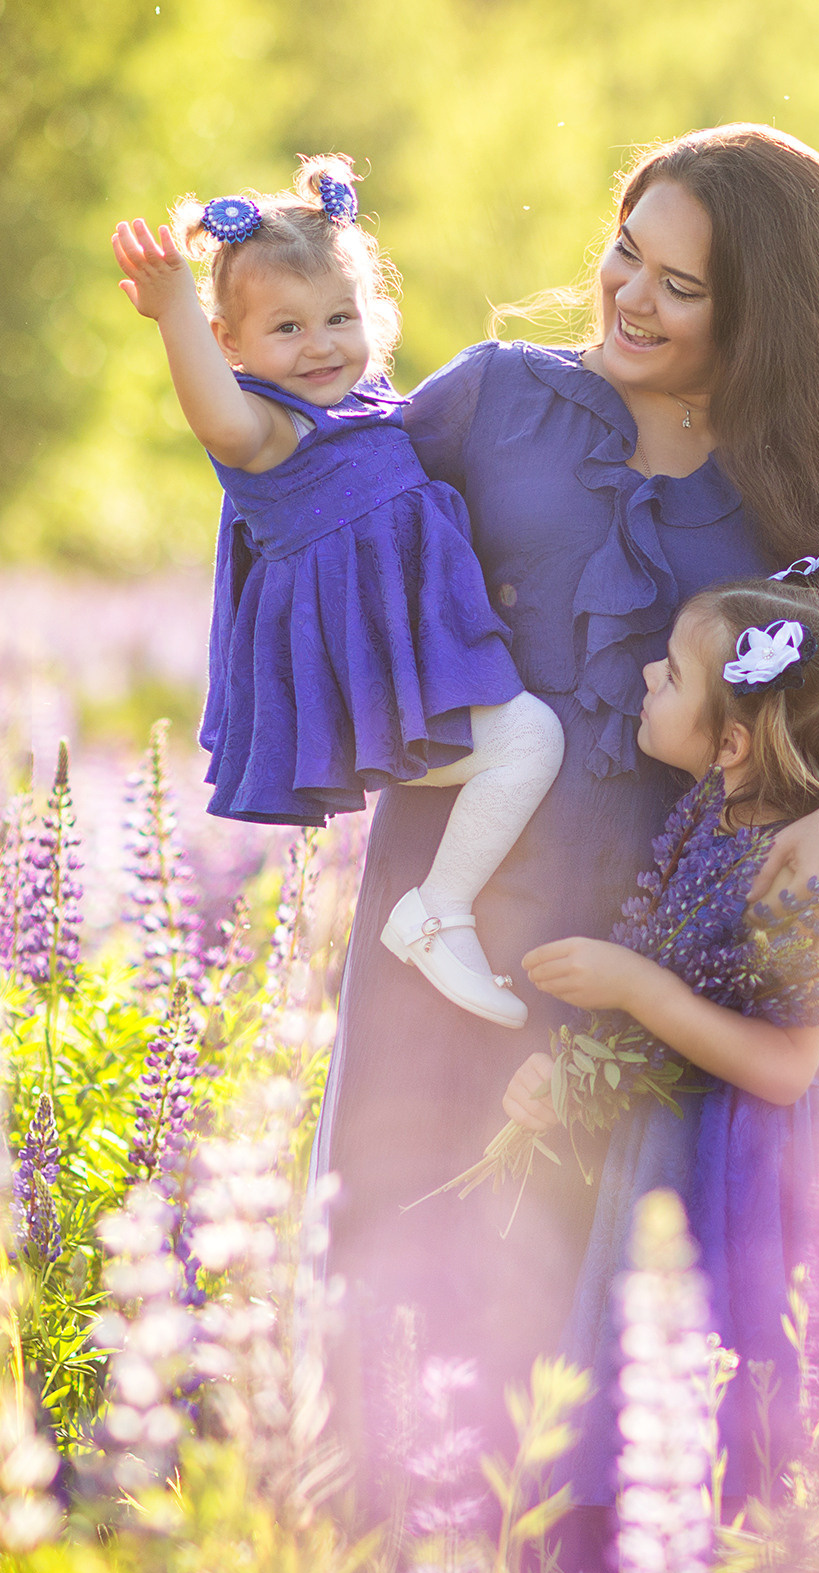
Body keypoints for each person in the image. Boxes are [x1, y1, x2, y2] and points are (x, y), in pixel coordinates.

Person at [311, 123, 819, 1457]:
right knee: (414, 1261)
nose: (629, 295)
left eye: (681, 286)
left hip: (671, 937)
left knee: (633, 1314)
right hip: (452, 924)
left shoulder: (806, 485)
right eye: (627, 253)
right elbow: (323, 495)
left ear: (766, 319)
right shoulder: (497, 401)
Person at [506, 566, 819, 1518]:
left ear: (730, 740)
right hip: (678, 1146)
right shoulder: (712, 815)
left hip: (760, 1174)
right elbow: (676, 1006)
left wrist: (633, 985)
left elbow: (786, 1066)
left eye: (673, 678)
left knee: (768, 1374)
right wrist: (569, 1076)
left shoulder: (794, 871)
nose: (649, 677)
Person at [113, 156, 566, 1028]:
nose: (320, 344)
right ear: (230, 344)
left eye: (339, 317)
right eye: (286, 327)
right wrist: (174, 314)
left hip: (404, 667)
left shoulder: (364, 404)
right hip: (359, 685)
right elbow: (217, 420)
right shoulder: (271, 427)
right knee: (530, 741)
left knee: (525, 742)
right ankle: (438, 910)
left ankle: (447, 905)